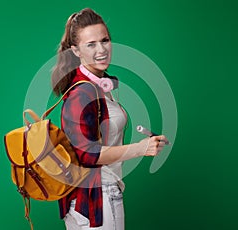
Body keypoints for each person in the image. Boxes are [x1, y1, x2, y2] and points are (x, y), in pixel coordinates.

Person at [51, 8, 168, 230]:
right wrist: (141, 148)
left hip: (95, 196)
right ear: (76, 51)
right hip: (97, 199)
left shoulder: (99, 86)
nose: (101, 50)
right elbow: (87, 154)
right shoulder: (82, 92)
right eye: (91, 44)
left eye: (105, 40)